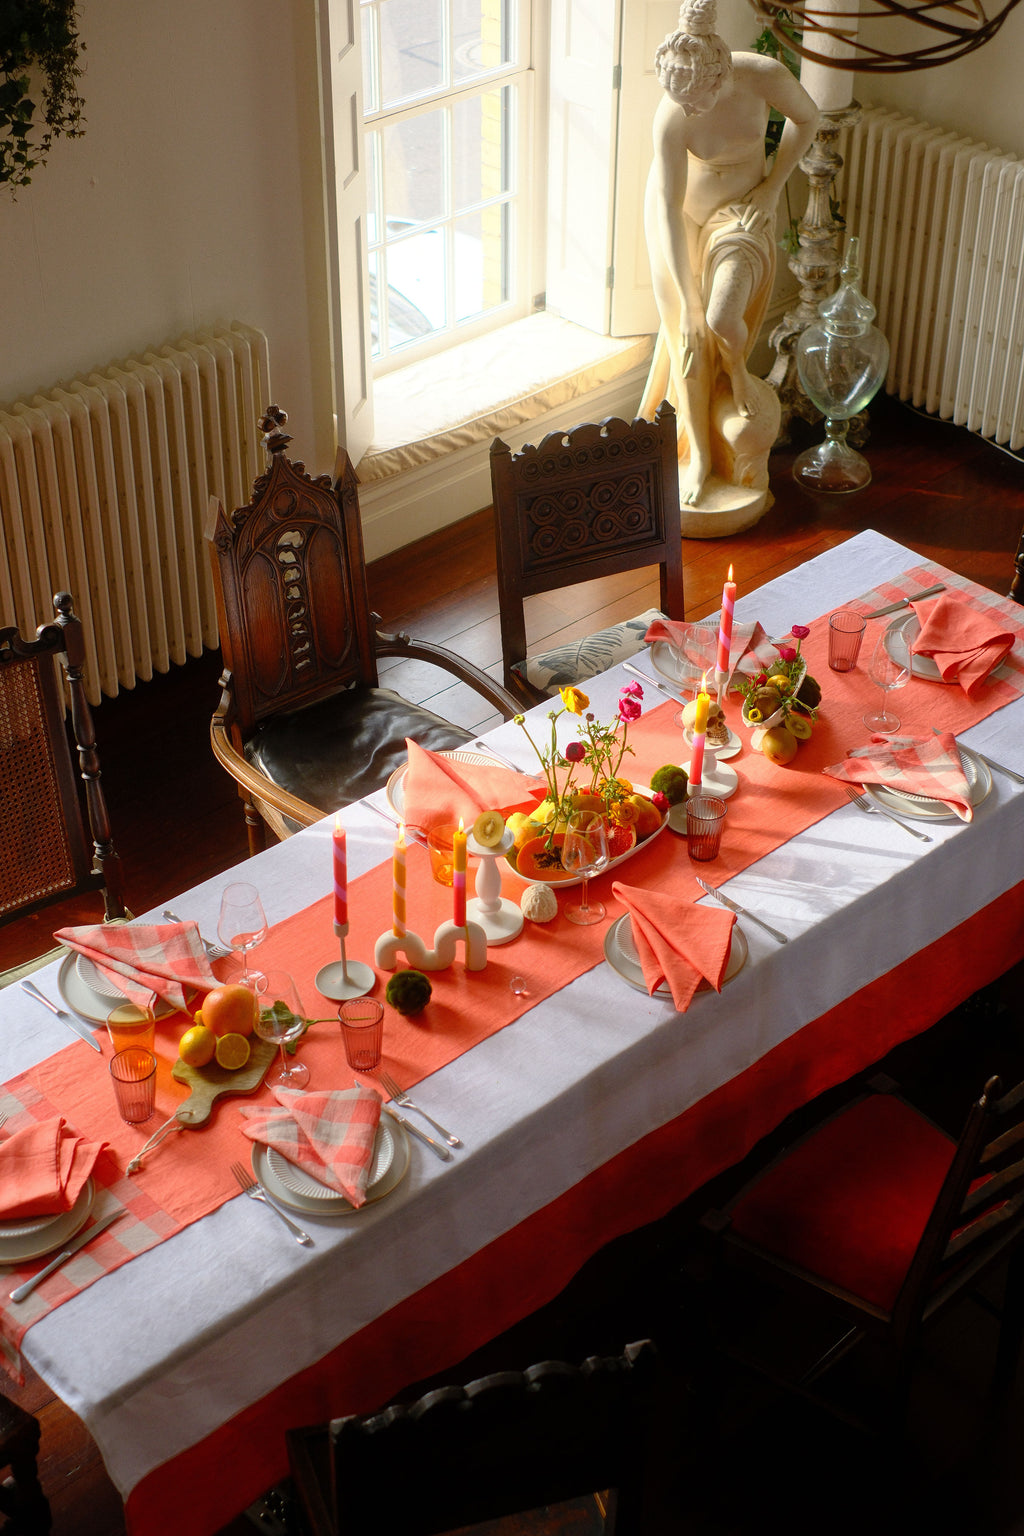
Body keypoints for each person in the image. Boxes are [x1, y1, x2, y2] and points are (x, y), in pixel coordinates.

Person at [639, 0, 819, 513]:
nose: (688, 111)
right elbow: (670, 210)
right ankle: (697, 455)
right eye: (680, 101)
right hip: (682, 221)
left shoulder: (761, 75)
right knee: (690, 337)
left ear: (720, 72)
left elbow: (806, 119)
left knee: (722, 317)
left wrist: (770, 190)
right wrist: (688, 306)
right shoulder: (672, 117)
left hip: (742, 214)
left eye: (697, 99)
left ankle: (738, 374)